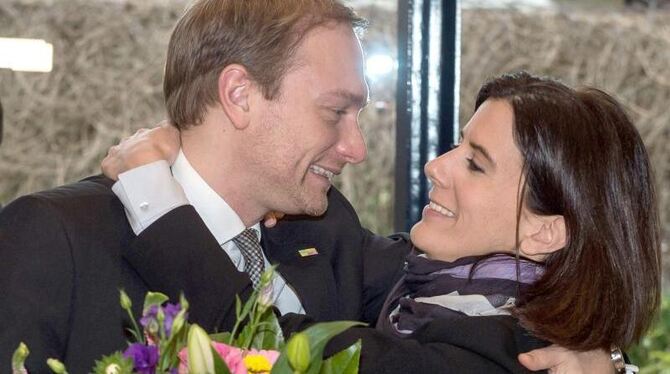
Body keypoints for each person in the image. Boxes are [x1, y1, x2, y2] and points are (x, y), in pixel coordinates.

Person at [0, 0, 610, 371]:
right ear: (240, 95)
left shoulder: (331, 233)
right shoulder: (53, 238)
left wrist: (609, 365)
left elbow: (520, 304)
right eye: (335, 112)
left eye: (360, 116)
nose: (357, 147)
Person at [106, 72, 658, 373]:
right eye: (457, 144)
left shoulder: (494, 354)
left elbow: (259, 338)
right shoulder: (430, 282)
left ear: (544, 232)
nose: (435, 166)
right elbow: (343, 243)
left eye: (475, 163)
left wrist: (152, 190)